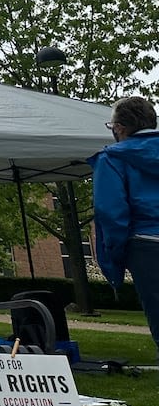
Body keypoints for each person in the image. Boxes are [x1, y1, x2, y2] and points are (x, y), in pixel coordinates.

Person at [88, 96, 159, 361]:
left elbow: (111, 212)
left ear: (119, 128)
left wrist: (115, 256)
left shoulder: (112, 159)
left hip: (147, 244)